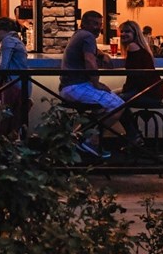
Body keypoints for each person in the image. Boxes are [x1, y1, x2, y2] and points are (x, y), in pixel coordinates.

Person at [59, 10, 140, 157]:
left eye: (100, 24)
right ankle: (90, 141)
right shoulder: (87, 36)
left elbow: (92, 53)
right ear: (84, 24)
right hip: (77, 87)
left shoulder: (80, 35)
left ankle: (78, 138)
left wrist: (103, 55)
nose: (98, 27)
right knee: (118, 106)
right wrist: (96, 83)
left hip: (69, 87)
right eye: (94, 24)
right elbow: (89, 60)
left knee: (104, 108)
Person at [0, 17, 31, 136]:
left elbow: (3, 67)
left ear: (3, 30)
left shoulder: (8, 41)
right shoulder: (11, 40)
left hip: (14, 86)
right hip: (18, 85)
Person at [119, 20, 163, 104]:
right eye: (122, 31)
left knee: (110, 100)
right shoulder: (140, 47)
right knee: (114, 97)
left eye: (127, 31)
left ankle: (124, 117)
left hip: (147, 93)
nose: (123, 34)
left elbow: (133, 76)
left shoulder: (132, 46)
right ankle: (127, 117)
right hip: (153, 91)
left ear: (135, 33)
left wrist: (123, 91)